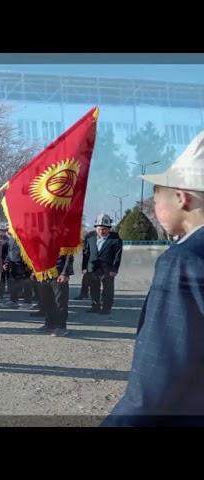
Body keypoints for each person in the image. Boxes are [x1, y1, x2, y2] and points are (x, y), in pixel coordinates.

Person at [102, 130, 204, 427]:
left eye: (156, 199)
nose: (154, 209)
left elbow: (156, 380)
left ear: (181, 197)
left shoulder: (184, 261)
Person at [82, 214, 123, 315]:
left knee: (108, 289)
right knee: (94, 288)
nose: (101, 231)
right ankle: (95, 305)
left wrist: (114, 269)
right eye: (99, 229)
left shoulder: (115, 239)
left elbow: (117, 256)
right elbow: (86, 254)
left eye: (104, 229)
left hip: (108, 268)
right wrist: (84, 267)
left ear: (109, 229)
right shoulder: (89, 238)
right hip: (93, 268)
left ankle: (106, 307)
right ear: (96, 228)